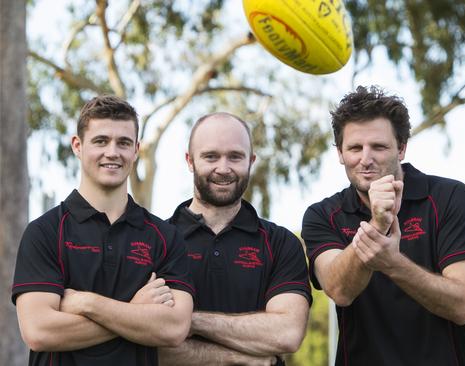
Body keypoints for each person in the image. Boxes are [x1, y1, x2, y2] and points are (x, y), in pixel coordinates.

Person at [301, 85, 465, 365]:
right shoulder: (323, 215)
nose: (365, 159)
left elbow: (463, 304)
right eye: (355, 148)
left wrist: (392, 263)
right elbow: (340, 290)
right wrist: (378, 224)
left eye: (378, 147)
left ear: (401, 148)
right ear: (340, 153)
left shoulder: (449, 198)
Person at [12, 95, 195, 366]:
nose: (113, 152)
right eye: (101, 141)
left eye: (123, 143)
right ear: (78, 145)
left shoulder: (165, 237)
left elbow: (174, 328)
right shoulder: (45, 232)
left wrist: (87, 304)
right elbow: (39, 331)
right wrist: (136, 314)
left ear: (136, 150)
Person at [159, 113, 311, 366]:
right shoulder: (155, 241)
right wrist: (235, 357)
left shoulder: (281, 243)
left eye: (235, 156)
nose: (223, 168)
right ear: (190, 161)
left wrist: (188, 321)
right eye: (210, 156)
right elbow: (147, 347)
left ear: (251, 161)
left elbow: (287, 334)